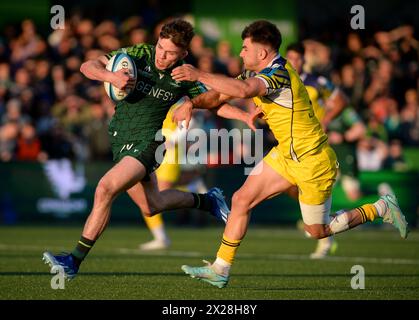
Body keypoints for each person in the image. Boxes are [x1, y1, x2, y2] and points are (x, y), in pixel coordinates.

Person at [171, 20, 409, 288]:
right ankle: (221, 268)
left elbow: (244, 92)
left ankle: (380, 207)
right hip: (286, 155)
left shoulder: (279, 73)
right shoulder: (254, 74)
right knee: (240, 200)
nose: (241, 53)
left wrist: (198, 74)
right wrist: (191, 102)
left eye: (245, 48)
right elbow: (218, 97)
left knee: (318, 231)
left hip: (313, 161)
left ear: (261, 53)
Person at [41, 19, 248, 280]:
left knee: (105, 188)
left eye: (170, 52)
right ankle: (208, 200)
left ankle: (73, 261)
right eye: (161, 47)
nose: (162, 55)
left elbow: (213, 103)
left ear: (183, 53)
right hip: (121, 139)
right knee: (152, 205)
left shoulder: (184, 74)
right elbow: (87, 66)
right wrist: (111, 76)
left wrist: (244, 117)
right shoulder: (139, 54)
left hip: (149, 142)